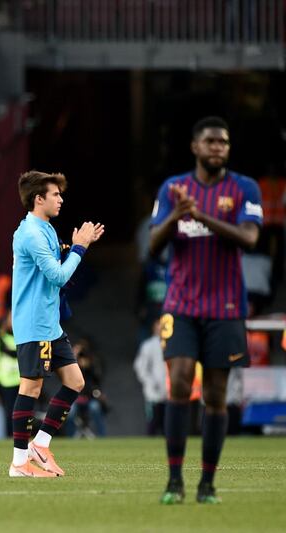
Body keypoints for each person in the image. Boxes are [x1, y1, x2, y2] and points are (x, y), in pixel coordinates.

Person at [149, 116, 263, 505]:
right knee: (179, 381)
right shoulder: (172, 189)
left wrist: (201, 217)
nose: (218, 148)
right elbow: (151, 246)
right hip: (181, 304)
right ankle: (174, 480)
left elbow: (249, 238)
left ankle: (207, 483)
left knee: (215, 395)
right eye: (211, 141)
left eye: (224, 143)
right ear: (195, 146)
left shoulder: (245, 188)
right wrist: (175, 217)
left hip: (227, 307)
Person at [9, 170, 104, 478]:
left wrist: (74, 245)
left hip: (50, 323)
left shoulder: (46, 228)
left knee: (76, 382)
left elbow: (58, 258)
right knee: (31, 387)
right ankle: (19, 462)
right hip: (33, 323)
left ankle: (41, 443)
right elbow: (58, 275)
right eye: (55, 195)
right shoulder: (31, 234)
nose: (61, 199)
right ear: (39, 199)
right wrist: (79, 248)